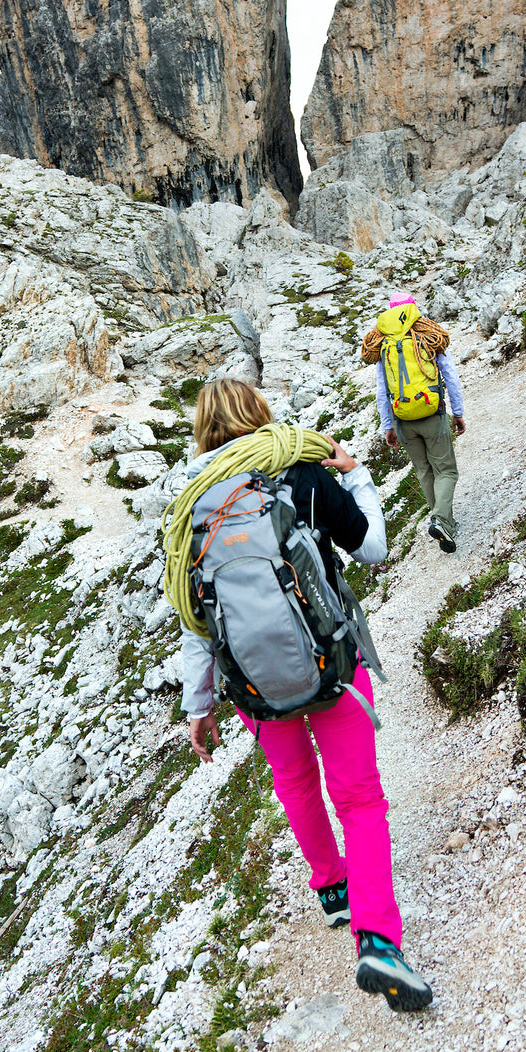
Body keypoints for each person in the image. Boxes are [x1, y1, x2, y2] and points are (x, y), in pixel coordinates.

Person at [167, 379, 432, 1012]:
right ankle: (378, 942)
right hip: (331, 665)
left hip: (254, 687)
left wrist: (198, 708)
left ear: (204, 431)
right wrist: (358, 474)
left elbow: (197, 623)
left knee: (296, 786)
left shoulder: (192, 511)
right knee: (361, 800)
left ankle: (332, 890)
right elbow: (373, 548)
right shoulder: (303, 474)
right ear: (260, 416)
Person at [362, 295, 466, 553]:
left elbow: (381, 390)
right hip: (432, 413)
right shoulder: (427, 334)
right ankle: (441, 520)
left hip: (403, 419)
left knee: (424, 471)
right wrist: (458, 411)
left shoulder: (383, 343)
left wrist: (388, 426)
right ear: (412, 308)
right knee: (447, 470)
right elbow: (450, 376)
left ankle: (445, 522)